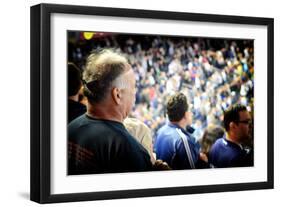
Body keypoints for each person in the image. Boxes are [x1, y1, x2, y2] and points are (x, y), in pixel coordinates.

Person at [68, 49, 152, 174]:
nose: (135, 93)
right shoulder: (129, 151)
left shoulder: (71, 128)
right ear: (117, 94)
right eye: (133, 86)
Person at [155, 92, 205, 170]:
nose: (191, 113)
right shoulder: (183, 140)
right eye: (190, 110)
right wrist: (204, 163)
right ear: (185, 114)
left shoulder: (160, 131)